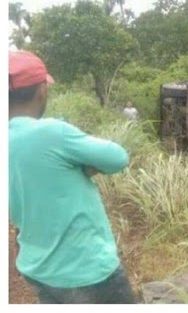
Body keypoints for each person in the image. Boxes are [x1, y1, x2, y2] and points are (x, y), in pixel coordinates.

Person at [9, 50, 137, 304]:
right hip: (85, 270)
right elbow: (118, 157)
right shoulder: (52, 132)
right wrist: (82, 166)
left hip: (37, 268)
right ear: (42, 90)